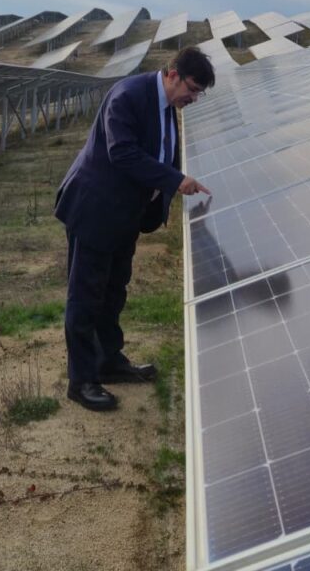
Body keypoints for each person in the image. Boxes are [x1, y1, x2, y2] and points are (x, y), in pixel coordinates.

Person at [54, 46, 215, 411]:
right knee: (86, 296)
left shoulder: (166, 107)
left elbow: (160, 152)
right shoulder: (128, 96)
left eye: (198, 93)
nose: (193, 98)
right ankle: (81, 381)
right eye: (192, 88)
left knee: (113, 292)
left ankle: (108, 360)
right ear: (173, 74)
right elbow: (122, 153)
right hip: (95, 209)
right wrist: (175, 180)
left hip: (124, 216)